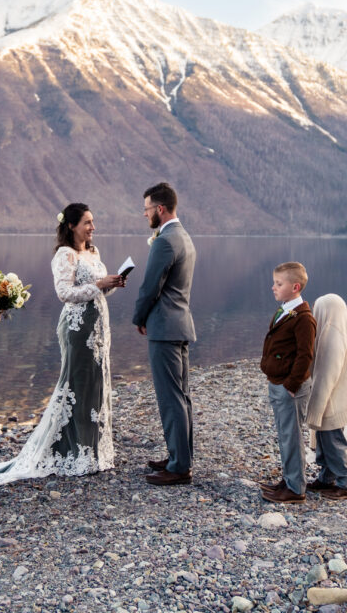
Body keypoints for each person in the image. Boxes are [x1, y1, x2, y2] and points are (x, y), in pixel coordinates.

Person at [0, 203, 125, 491]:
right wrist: (99, 284)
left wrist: (112, 283)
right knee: (77, 383)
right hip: (77, 328)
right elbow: (64, 293)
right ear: (72, 226)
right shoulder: (64, 255)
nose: (93, 227)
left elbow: (97, 289)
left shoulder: (93, 252)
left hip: (99, 325)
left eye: (93, 222)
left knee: (96, 383)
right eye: (87, 223)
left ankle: (94, 452)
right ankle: (73, 453)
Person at [133, 182, 196, 486]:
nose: (144, 214)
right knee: (181, 396)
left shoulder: (165, 241)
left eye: (146, 209)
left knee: (170, 398)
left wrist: (138, 317)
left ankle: (180, 467)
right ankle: (178, 456)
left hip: (164, 327)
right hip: (180, 324)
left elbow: (150, 287)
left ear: (160, 209)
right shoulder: (183, 236)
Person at [259, 261, 316, 503]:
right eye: (274, 282)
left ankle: (296, 489)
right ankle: (289, 478)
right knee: (284, 434)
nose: (273, 287)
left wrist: (292, 384)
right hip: (277, 381)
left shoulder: (303, 318)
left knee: (292, 436)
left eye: (278, 284)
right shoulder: (285, 309)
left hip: (289, 387)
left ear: (295, 287)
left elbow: (306, 355)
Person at [305, 293, 347, 499]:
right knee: (324, 438)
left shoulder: (332, 333)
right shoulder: (337, 328)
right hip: (337, 396)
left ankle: (346, 483)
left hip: (333, 399)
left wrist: (316, 404)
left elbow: (327, 372)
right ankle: (326, 478)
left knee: (333, 439)